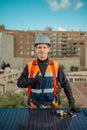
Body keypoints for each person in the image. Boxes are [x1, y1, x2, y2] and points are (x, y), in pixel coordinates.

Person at [17, 34, 81, 112]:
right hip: (33, 107)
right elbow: (19, 83)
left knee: (51, 124)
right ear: (36, 49)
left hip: (51, 107)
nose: (42, 50)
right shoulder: (30, 66)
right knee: (33, 124)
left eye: (44, 47)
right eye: (39, 47)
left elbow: (65, 83)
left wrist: (72, 103)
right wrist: (32, 80)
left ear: (48, 49)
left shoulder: (55, 66)